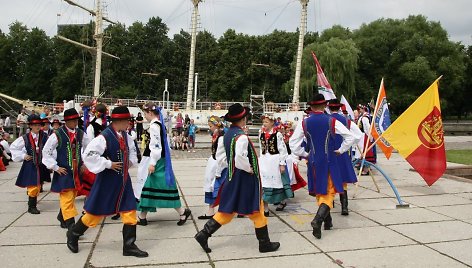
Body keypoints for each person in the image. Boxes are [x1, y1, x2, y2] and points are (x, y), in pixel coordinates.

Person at [195, 103, 280, 254]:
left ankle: (204, 234)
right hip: (244, 178)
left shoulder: (227, 134)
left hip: (233, 176)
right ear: (243, 119)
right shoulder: (241, 137)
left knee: (228, 210)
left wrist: (228, 168)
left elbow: (221, 157)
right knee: (256, 209)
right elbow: (240, 159)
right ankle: (264, 244)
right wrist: (250, 169)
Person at [67, 106, 148, 257]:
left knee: (129, 210)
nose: (129, 124)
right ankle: (73, 233)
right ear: (119, 121)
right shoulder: (104, 137)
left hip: (123, 181)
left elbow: (132, 150)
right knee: (95, 213)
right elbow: (89, 154)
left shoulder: (125, 135)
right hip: (107, 182)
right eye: (127, 121)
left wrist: (130, 162)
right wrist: (108, 164)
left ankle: (129, 246)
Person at [289, 94, 356, 239]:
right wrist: (341, 149)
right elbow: (350, 137)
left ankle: (328, 222)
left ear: (311, 107)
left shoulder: (304, 122)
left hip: (313, 161)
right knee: (329, 192)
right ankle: (318, 220)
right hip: (329, 160)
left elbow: (293, 144)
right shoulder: (331, 120)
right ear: (324, 105)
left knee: (321, 190)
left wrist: (305, 153)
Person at [135, 103, 191, 226]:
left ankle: (181, 212)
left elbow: (156, 145)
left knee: (159, 186)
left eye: (145, 113)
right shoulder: (159, 124)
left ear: (150, 113)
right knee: (150, 187)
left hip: (157, 160)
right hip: (160, 159)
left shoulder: (155, 126)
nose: (144, 116)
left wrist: (153, 163)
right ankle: (142, 216)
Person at [42, 108, 90, 229]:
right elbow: (46, 152)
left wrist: (85, 162)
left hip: (77, 170)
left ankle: (61, 216)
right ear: (66, 122)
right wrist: (55, 167)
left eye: (76, 120)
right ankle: (71, 226)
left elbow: (89, 148)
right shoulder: (57, 134)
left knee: (72, 195)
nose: (75, 123)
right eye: (73, 120)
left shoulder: (81, 133)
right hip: (64, 171)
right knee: (67, 196)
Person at [328, 99, 362, 215]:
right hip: (341, 154)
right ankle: (344, 207)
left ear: (328, 108)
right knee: (343, 180)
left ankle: (329, 203)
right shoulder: (347, 121)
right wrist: (346, 147)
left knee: (330, 178)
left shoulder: (327, 120)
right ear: (339, 108)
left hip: (329, 152)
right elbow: (357, 136)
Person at [10, 114, 49, 214]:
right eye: (35, 125)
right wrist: (23, 156)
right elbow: (14, 148)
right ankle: (31, 206)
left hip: (41, 164)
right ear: (30, 126)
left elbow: (51, 149)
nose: (37, 127)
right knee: (33, 185)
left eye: (39, 125)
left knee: (38, 185)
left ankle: (33, 199)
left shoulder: (45, 136)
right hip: (30, 164)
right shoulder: (25, 138)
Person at [259, 114, 293, 215]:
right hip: (265, 161)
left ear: (272, 123)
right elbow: (261, 148)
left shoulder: (277, 134)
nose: (264, 124)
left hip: (274, 161)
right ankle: (265, 208)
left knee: (278, 182)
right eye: (263, 122)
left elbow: (283, 150)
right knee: (264, 183)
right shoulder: (260, 133)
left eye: (266, 122)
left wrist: (282, 163)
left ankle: (282, 201)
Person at [198, 116, 226, 219]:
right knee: (211, 186)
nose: (209, 128)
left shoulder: (222, 137)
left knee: (217, 188)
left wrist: (218, 171)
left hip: (219, 166)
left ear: (216, 125)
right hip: (214, 163)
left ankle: (224, 210)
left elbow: (222, 156)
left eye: (210, 126)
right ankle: (211, 211)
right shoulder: (216, 135)